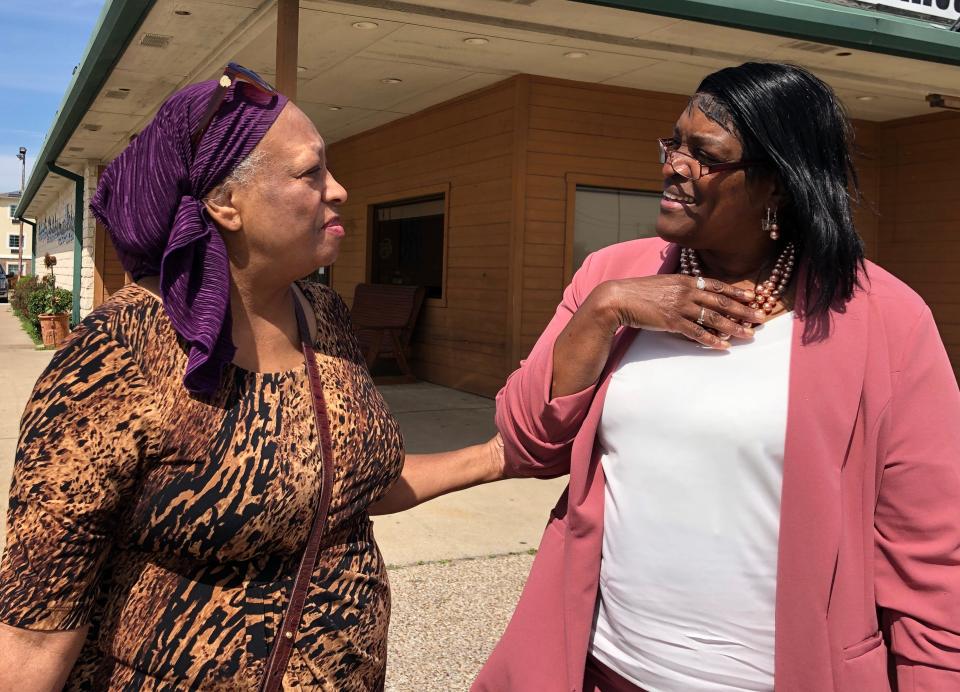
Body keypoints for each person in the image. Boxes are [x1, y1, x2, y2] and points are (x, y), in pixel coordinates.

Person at [0, 64, 504, 690]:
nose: (340, 190)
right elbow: (38, 617)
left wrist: (497, 456)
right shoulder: (118, 353)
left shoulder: (325, 318)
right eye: (310, 172)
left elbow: (347, 486)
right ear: (223, 202)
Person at [475, 62, 960, 692]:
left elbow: (930, 553)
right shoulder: (613, 274)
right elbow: (529, 438)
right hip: (606, 669)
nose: (673, 165)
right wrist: (605, 310)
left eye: (704, 154)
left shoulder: (883, 318)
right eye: (674, 143)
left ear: (778, 185)